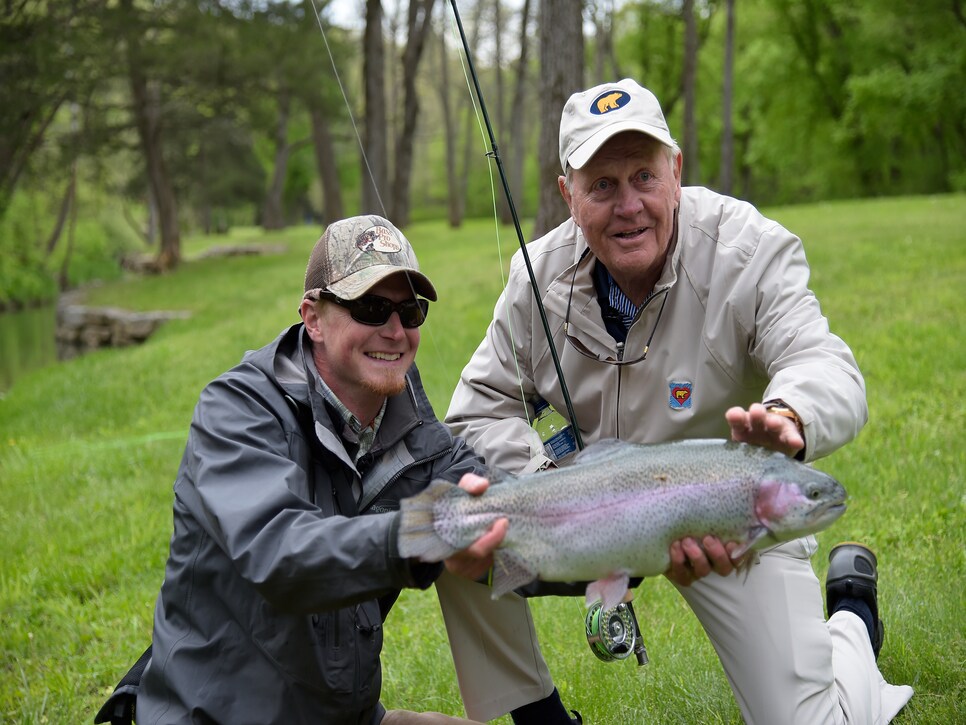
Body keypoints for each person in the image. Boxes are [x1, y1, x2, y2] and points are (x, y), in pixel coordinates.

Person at [439, 79, 915, 723]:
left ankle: (853, 623)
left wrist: (788, 418)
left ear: (677, 170)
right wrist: (549, 488)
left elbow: (822, 361)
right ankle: (538, 716)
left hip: (728, 513)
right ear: (567, 195)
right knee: (454, 524)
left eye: (644, 175)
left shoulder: (746, 248)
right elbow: (477, 409)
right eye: (602, 185)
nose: (628, 204)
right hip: (587, 514)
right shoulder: (537, 277)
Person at [128, 215, 507, 724]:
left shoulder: (414, 436)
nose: (395, 331)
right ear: (313, 317)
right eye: (371, 308)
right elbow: (283, 553)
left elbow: (514, 518)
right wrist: (423, 534)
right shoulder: (236, 411)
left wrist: (630, 528)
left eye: (410, 311)